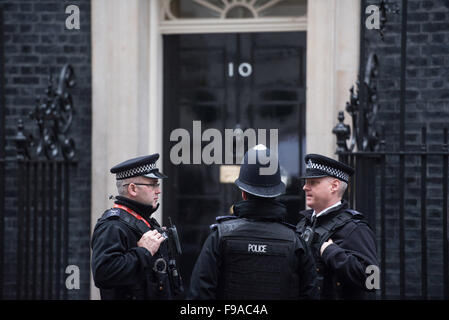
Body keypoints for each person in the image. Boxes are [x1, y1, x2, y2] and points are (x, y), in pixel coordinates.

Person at [188, 145, 318, 300]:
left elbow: (199, 295)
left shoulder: (220, 237)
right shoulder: (296, 242)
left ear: (243, 193)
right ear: (276, 194)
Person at [91, 154, 183, 300]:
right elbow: (103, 273)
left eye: (157, 184)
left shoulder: (145, 221)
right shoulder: (112, 226)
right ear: (133, 189)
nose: (158, 190)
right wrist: (143, 252)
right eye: (152, 184)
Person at [296, 154, 379, 299]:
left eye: (313, 182)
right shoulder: (304, 224)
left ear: (334, 186)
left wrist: (332, 253)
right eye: (306, 182)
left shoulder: (355, 229)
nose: (305, 187)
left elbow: (373, 279)